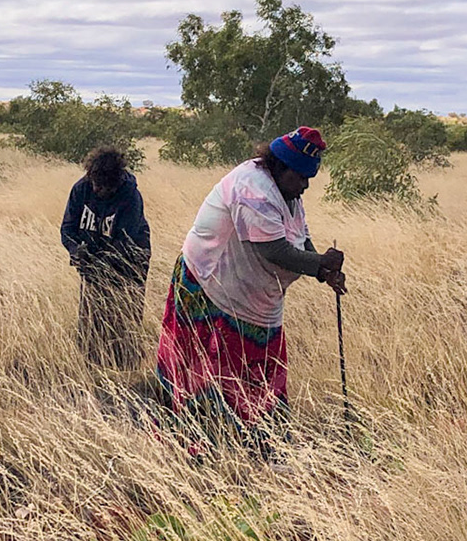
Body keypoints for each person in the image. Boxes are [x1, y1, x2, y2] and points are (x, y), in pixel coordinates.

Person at [155, 126, 346, 440]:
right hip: (211, 287)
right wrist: (320, 263)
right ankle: (209, 437)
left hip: (251, 295)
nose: (305, 185)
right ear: (281, 167)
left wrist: (323, 271)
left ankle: (258, 437)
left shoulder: (286, 190)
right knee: (210, 372)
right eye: (301, 177)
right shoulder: (253, 188)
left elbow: (299, 236)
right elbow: (274, 250)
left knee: (256, 370)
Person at [59, 146, 151, 370]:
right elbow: (67, 228)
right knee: (90, 318)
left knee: (124, 318)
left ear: (116, 183)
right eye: (95, 184)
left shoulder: (130, 196)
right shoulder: (81, 189)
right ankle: (92, 365)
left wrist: (96, 263)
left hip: (129, 264)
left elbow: (124, 242)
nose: (97, 190)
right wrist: (76, 251)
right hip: (92, 262)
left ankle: (126, 367)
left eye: (104, 187)